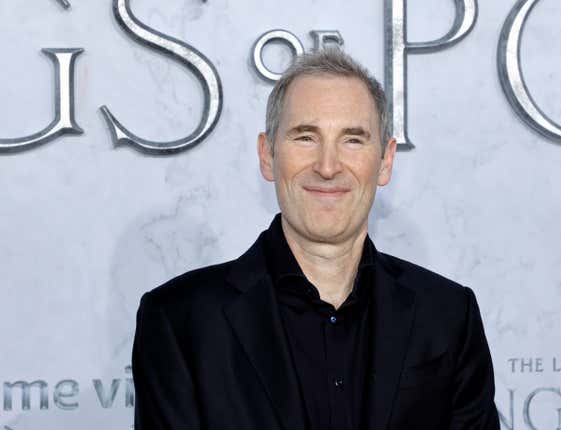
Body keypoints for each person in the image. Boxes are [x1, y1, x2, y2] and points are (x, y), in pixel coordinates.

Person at [132, 48, 499, 430]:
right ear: (267, 155)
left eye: (353, 140)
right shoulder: (180, 322)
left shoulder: (448, 317)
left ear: (386, 161)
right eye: (305, 137)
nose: (327, 167)